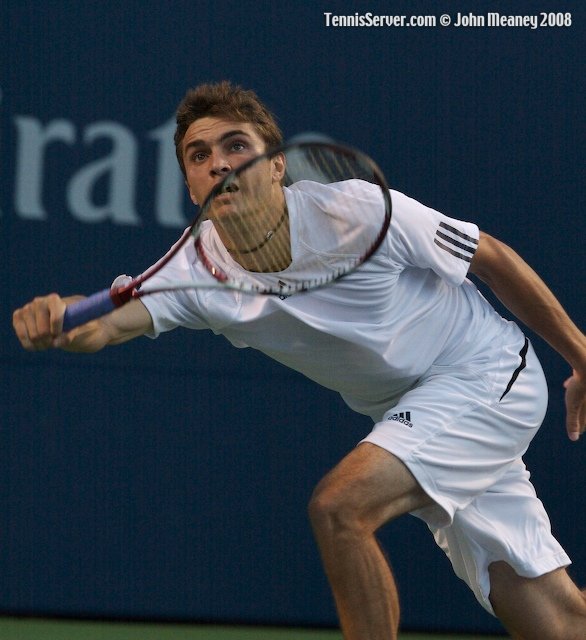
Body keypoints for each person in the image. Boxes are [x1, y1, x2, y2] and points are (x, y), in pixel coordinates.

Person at [12, 81, 586, 640]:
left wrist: (582, 359)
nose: (219, 164)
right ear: (190, 185)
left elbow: (492, 257)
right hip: (414, 413)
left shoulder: (358, 212)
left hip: (484, 375)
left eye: (237, 146)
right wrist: (57, 320)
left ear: (278, 166)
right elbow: (106, 326)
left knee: (341, 509)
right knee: (553, 620)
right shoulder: (188, 270)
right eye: (199, 154)